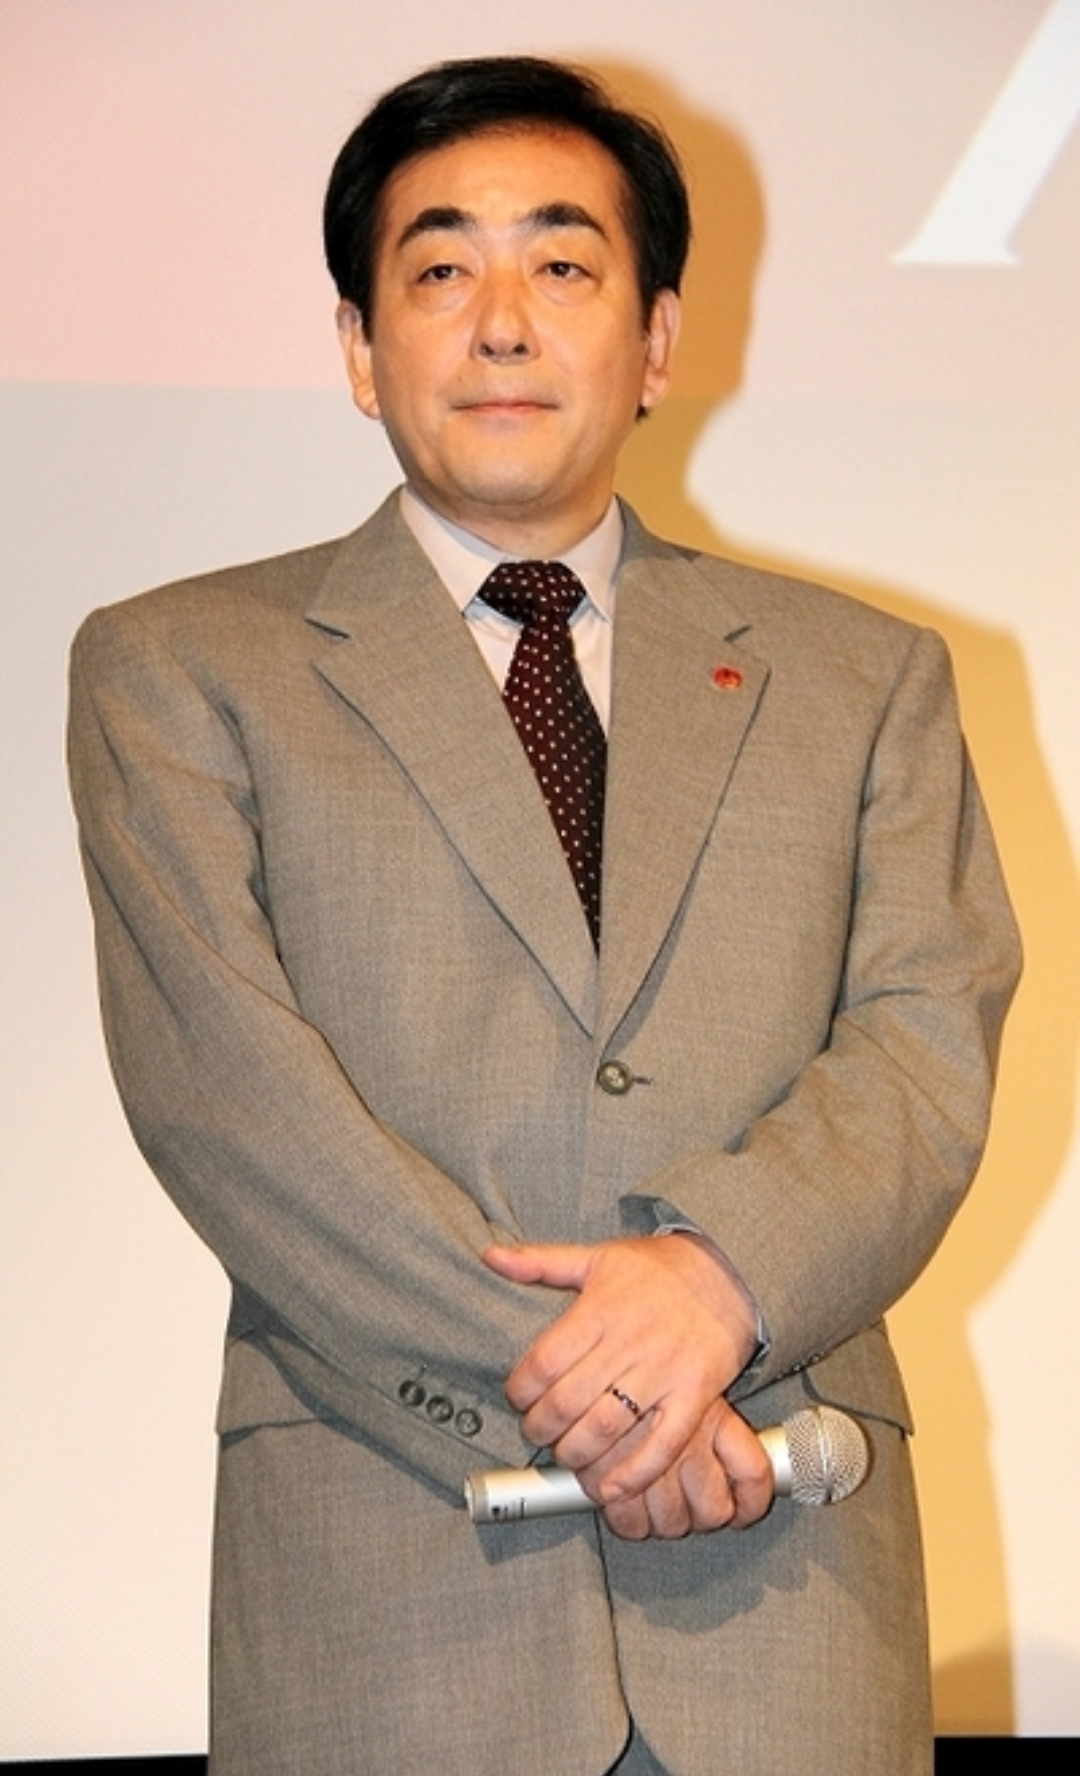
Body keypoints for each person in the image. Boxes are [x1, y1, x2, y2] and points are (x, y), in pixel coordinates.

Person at [68, 55, 1020, 1776]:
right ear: (360, 347)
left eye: (563, 265)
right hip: (391, 1578)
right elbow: (231, 1104)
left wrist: (721, 1284)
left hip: (787, 1574)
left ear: (656, 341)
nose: (502, 321)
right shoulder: (179, 670)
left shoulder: (867, 678)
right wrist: (613, 1388)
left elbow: (923, 1047)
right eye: (440, 268)